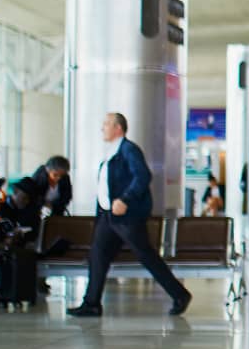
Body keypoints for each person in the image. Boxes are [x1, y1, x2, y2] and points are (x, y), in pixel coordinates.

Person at [67, 113, 191, 318]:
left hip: (126, 217)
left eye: (106, 124)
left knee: (146, 256)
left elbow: (142, 176)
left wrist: (125, 199)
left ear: (118, 128)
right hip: (108, 217)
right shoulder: (111, 152)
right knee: (97, 256)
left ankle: (180, 295)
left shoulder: (128, 149)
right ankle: (91, 304)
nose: (102, 128)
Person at [4, 156, 71, 233]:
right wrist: (44, 204)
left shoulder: (65, 178)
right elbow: (32, 195)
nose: (58, 178)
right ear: (48, 170)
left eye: (61, 176)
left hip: (56, 210)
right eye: (55, 175)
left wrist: (53, 206)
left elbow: (67, 197)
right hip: (38, 209)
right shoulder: (39, 176)